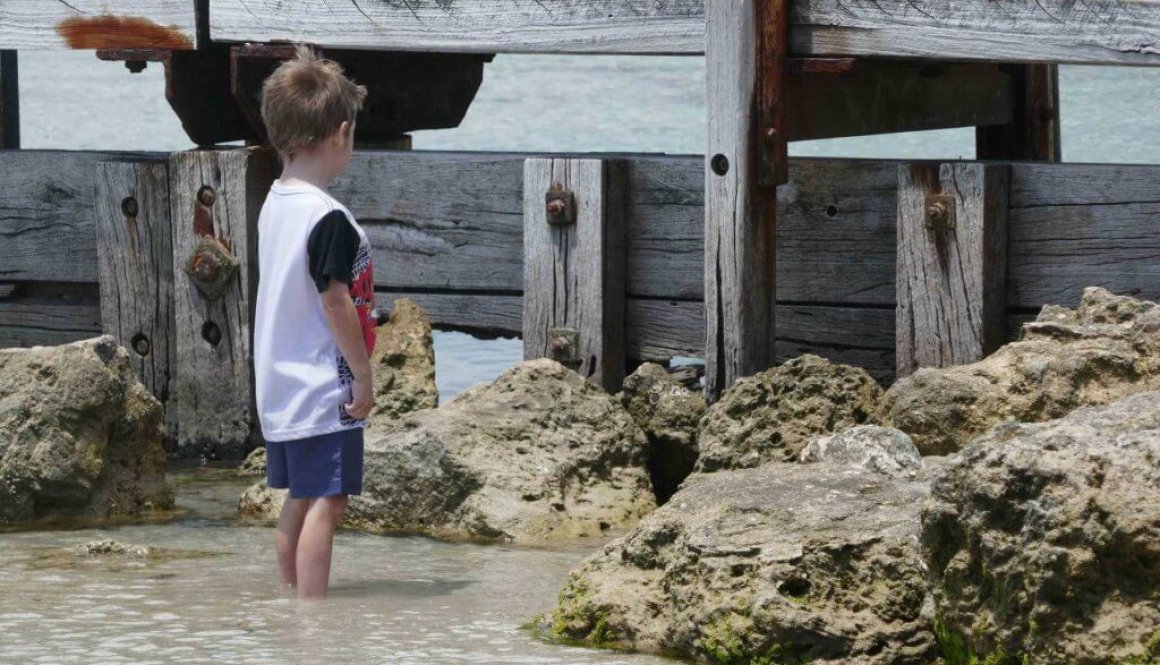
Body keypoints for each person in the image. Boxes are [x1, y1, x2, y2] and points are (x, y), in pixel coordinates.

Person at [252, 45, 376, 601]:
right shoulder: (328, 218)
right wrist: (363, 374)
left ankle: (288, 597)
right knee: (329, 498)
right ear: (341, 134)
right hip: (321, 385)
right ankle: (312, 615)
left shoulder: (275, 201)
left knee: (299, 495)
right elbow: (335, 302)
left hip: (279, 382)